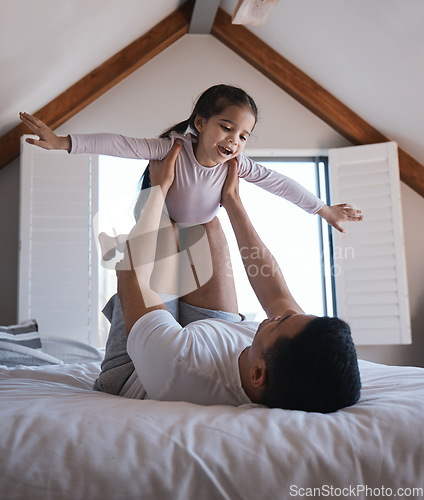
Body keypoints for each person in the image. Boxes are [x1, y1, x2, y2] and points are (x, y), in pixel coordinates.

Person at [94, 141, 361, 413]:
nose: (279, 314)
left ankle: (128, 237)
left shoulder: (178, 364)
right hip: (211, 339)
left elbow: (132, 275)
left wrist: (160, 189)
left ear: (258, 375)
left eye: (280, 323)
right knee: (203, 219)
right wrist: (232, 200)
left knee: (165, 227)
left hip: (137, 368)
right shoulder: (289, 349)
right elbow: (276, 294)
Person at [19, 85, 363, 260]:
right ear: (200, 123)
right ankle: (125, 246)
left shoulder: (235, 166)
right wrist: (63, 142)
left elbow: (281, 184)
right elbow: (120, 144)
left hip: (200, 229)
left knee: (204, 248)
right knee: (154, 243)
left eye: (243, 136)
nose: (234, 140)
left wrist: (323, 209)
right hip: (164, 224)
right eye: (227, 127)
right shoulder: (173, 148)